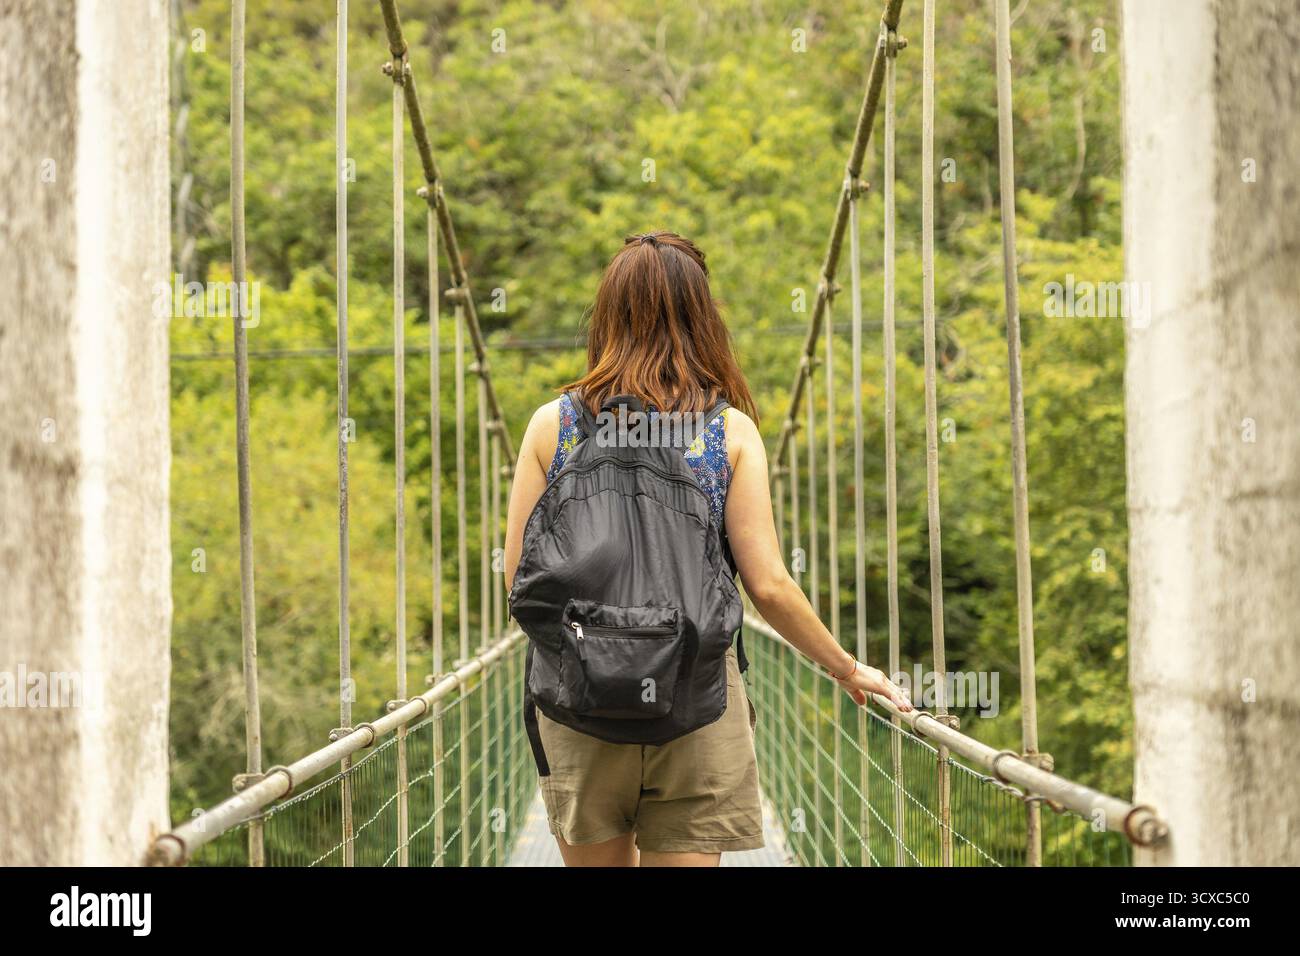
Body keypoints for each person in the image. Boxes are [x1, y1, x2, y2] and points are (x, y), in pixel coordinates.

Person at [504, 231, 913, 867]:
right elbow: (769, 585)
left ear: (607, 316)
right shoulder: (727, 432)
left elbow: (519, 580)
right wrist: (846, 667)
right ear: (703, 318)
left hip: (578, 694)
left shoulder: (551, 425)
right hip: (696, 695)